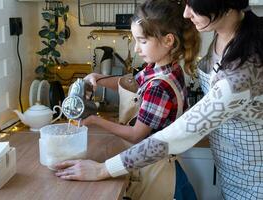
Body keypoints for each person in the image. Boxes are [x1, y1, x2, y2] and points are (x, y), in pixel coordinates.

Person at [56, 0, 263, 199]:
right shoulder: (227, 34)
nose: (186, 13)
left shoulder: (244, 70)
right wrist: (100, 79)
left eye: (194, 4)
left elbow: (178, 133)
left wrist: (102, 169)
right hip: (230, 168)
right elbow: (137, 81)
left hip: (254, 177)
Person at [75, 0, 199, 199]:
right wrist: (99, 78)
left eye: (142, 41)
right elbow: (130, 83)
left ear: (168, 41)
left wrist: (95, 119)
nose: (136, 49)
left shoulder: (159, 87)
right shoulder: (160, 68)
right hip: (153, 163)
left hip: (158, 173)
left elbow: (136, 135)